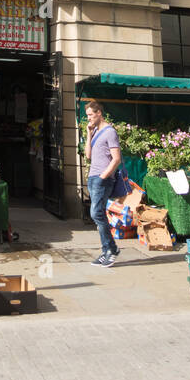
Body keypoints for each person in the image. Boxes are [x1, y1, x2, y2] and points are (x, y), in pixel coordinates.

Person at [83, 100, 122, 267]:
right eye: (87, 115)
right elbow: (88, 155)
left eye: (91, 115)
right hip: (93, 177)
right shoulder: (97, 131)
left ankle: (110, 250)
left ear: (99, 113)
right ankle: (107, 249)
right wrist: (88, 133)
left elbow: (117, 158)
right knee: (97, 214)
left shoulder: (110, 132)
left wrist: (104, 175)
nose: (89, 118)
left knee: (96, 214)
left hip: (101, 178)